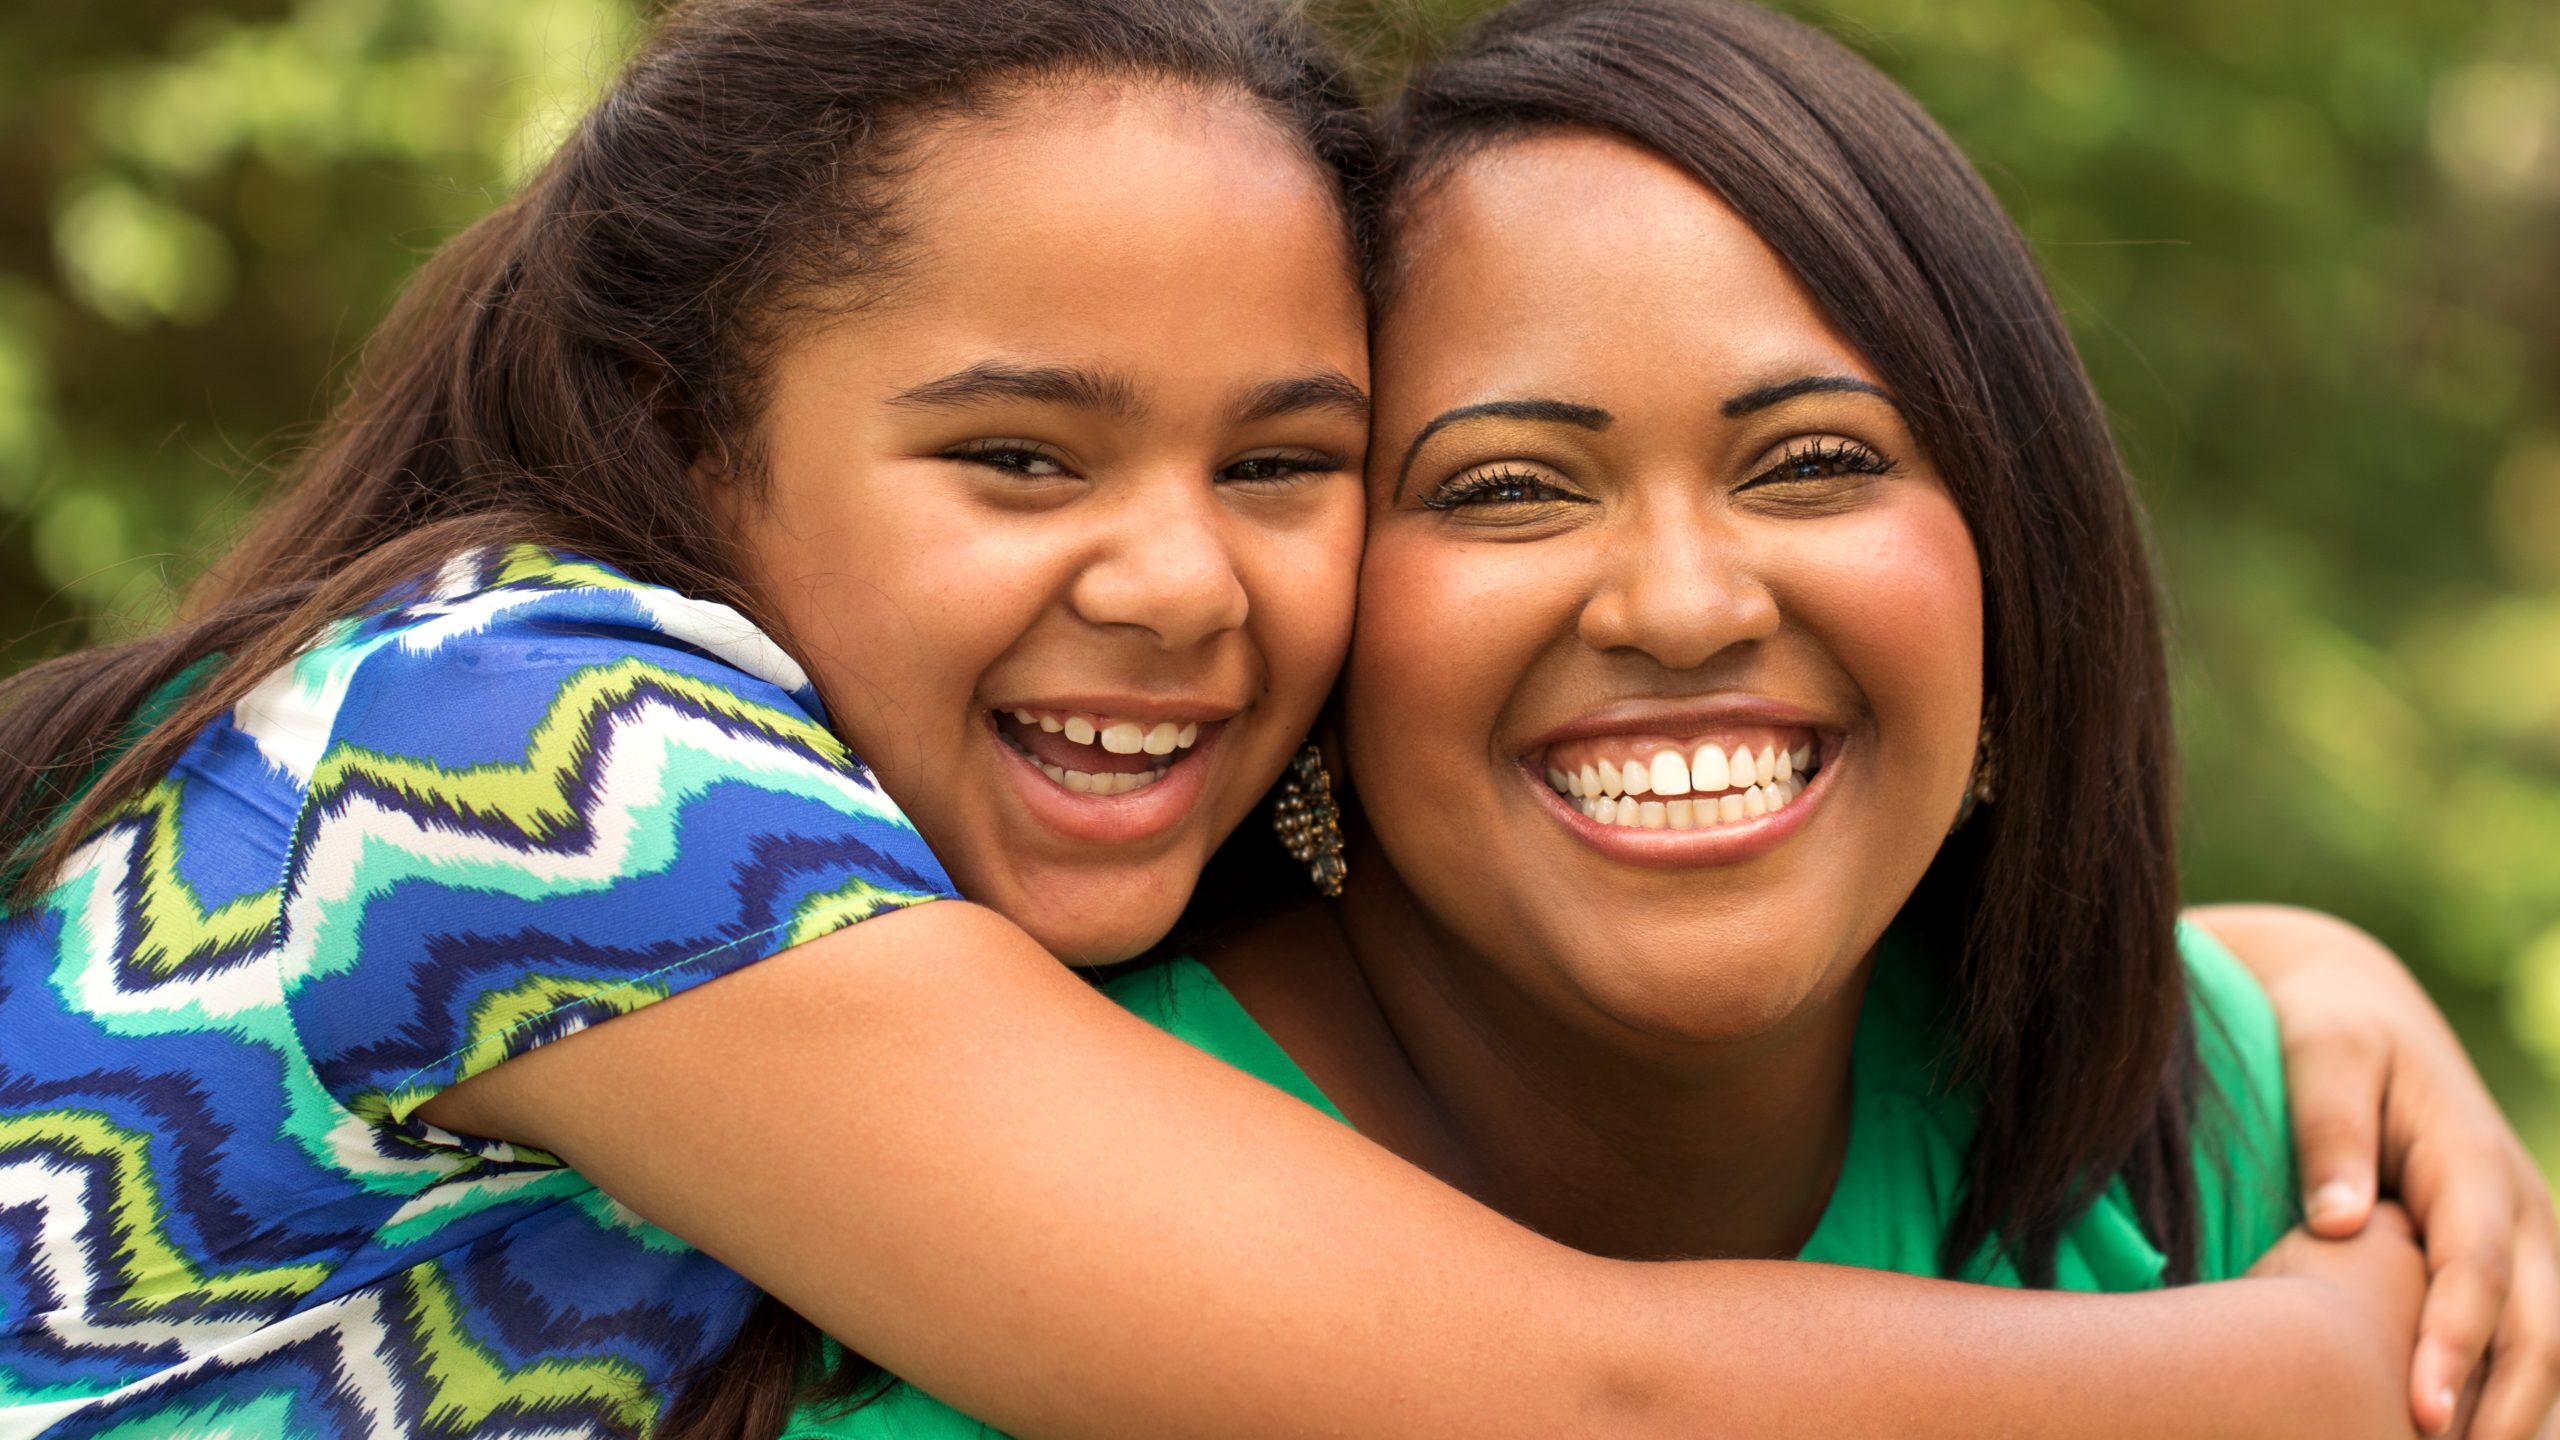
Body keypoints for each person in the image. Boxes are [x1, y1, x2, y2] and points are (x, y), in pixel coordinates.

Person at [0, 2, 2545, 1439]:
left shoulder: (935, 947)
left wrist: (2268, 962)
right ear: (683, 442)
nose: (1178, 577)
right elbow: (1578, 1397)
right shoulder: (530, 746)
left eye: (1286, 464)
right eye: (1017, 450)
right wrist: (2334, 1368)